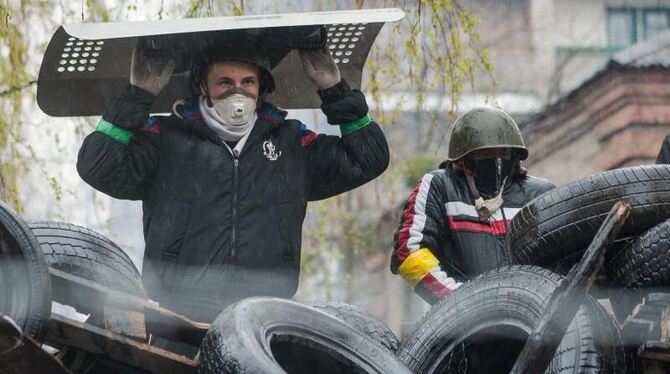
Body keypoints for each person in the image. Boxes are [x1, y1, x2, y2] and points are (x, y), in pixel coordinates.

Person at [77, 36, 389, 322]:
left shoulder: (291, 143)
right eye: (225, 82)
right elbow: (97, 166)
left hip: (263, 318)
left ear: (261, 87)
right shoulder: (165, 139)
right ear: (203, 86)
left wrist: (332, 87)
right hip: (177, 318)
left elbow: (368, 158)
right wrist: (138, 94)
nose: (237, 91)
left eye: (247, 81)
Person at [389, 107, 554, 304]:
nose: (495, 158)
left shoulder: (540, 193)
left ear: (514, 153)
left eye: (502, 151)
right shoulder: (440, 187)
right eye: (484, 152)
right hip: (462, 326)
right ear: (462, 158)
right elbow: (409, 251)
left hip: (537, 317)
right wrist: (462, 302)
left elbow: (566, 257)